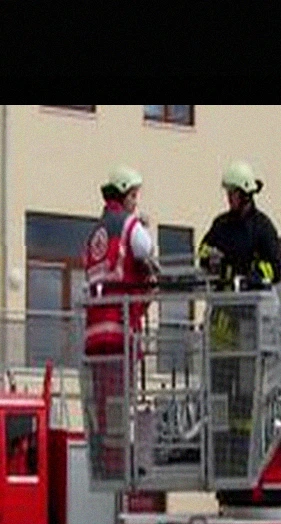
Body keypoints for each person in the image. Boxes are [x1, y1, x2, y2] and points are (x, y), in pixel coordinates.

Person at [81, 166, 157, 478]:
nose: (136, 202)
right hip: (119, 328)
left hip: (95, 331)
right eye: (134, 196)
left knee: (105, 403)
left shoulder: (95, 233)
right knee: (121, 402)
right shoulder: (128, 225)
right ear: (124, 194)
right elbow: (145, 249)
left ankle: (109, 458)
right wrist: (143, 227)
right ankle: (121, 461)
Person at [198, 161, 281, 291]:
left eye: (233, 193)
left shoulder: (263, 228)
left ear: (245, 195)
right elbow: (203, 251)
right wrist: (210, 258)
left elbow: (275, 270)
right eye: (228, 193)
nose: (229, 198)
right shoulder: (221, 224)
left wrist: (252, 277)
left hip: (251, 305)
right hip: (222, 301)